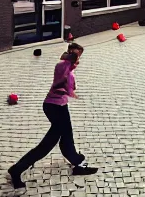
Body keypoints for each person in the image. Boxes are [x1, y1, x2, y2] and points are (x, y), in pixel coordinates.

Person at [8, 43, 97, 189]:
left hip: (60, 106)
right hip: (53, 107)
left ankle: (78, 163)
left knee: (67, 136)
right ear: (69, 55)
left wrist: (73, 64)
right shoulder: (63, 66)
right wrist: (71, 61)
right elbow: (67, 83)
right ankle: (17, 170)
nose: (78, 60)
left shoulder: (68, 68)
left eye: (79, 56)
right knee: (46, 145)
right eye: (76, 56)